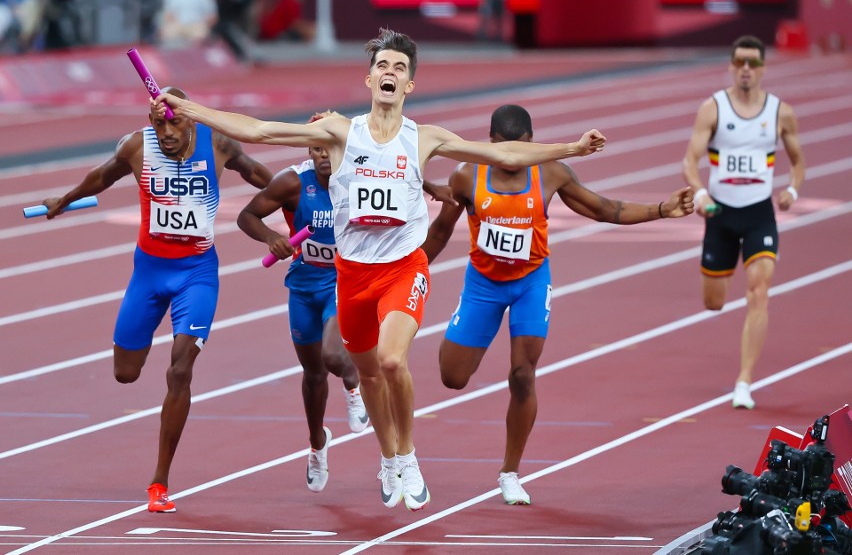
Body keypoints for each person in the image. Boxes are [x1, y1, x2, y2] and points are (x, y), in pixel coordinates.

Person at [153, 27, 606, 511]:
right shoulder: (340, 133)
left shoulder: (424, 138)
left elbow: (506, 153)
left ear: (409, 85)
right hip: (352, 275)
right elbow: (261, 130)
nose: (390, 73)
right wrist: (190, 109)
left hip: (403, 269)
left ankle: (407, 456)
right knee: (368, 376)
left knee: (392, 361)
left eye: (399, 68)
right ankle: (388, 457)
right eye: (383, 66)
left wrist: (571, 149)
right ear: (369, 78)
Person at [421, 104, 694, 505]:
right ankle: (463, 331)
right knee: (452, 377)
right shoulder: (467, 175)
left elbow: (603, 209)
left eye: (521, 151)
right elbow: (441, 231)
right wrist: (407, 270)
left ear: (533, 144)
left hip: (531, 282)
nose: (513, 159)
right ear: (491, 144)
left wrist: (661, 209)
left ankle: (510, 473)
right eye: (504, 151)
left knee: (522, 374)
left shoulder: (550, 172)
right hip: (483, 285)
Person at [42, 87, 273, 513]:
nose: (166, 132)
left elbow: (257, 173)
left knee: (180, 368)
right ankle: (140, 355)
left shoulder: (217, 141)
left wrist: (297, 197)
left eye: (174, 122)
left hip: (197, 274)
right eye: (158, 123)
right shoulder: (136, 147)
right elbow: (102, 176)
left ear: (190, 118)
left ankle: (159, 482)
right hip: (148, 274)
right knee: (125, 374)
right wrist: (66, 199)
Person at [236, 110, 369, 494]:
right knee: (312, 375)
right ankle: (317, 443)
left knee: (333, 354)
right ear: (308, 151)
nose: (325, 157)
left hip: (341, 283)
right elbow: (247, 216)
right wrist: (269, 238)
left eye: (331, 148)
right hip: (303, 288)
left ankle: (353, 388)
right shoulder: (293, 183)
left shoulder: (359, 179)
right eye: (316, 149)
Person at [682, 35, 805, 410]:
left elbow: (798, 161)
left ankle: (744, 382)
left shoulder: (780, 113)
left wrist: (792, 191)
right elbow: (690, 159)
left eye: (753, 63)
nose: (746, 69)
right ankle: (723, 272)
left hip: (758, 214)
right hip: (721, 214)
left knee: (759, 290)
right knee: (713, 302)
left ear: (763, 68)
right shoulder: (713, 109)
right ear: (732, 67)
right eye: (740, 63)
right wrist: (700, 194)